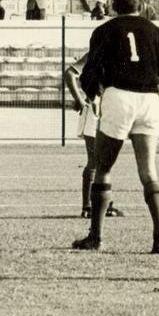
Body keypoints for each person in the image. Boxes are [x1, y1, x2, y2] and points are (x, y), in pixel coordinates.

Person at [72, 0, 159, 254]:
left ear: (112, 6)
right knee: (149, 171)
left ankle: (95, 237)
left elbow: (89, 73)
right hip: (150, 100)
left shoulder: (104, 30)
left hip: (119, 96)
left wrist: (94, 94)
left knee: (103, 167)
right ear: (141, 6)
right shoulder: (156, 31)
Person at [63, 53, 124, 220]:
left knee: (105, 161)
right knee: (95, 160)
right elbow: (69, 73)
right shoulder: (96, 52)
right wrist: (80, 100)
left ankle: (104, 204)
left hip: (110, 110)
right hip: (94, 111)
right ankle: (88, 207)